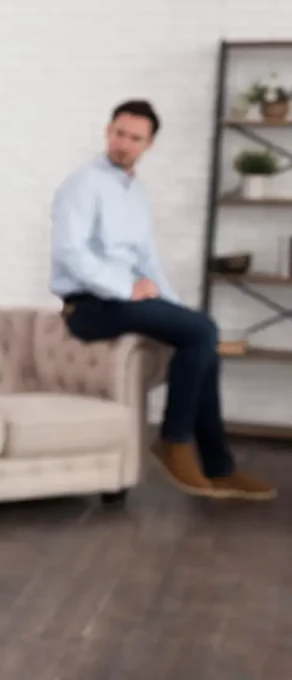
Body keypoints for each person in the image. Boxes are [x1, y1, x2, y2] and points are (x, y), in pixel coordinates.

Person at [50, 99, 275, 501]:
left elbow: (148, 260)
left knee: (204, 339)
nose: (124, 143)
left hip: (124, 303)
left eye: (135, 138)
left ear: (148, 145)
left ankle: (220, 469)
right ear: (107, 131)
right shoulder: (82, 184)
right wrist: (125, 288)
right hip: (88, 307)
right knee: (202, 331)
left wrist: (175, 309)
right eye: (119, 133)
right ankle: (173, 441)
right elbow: (73, 254)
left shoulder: (135, 193)